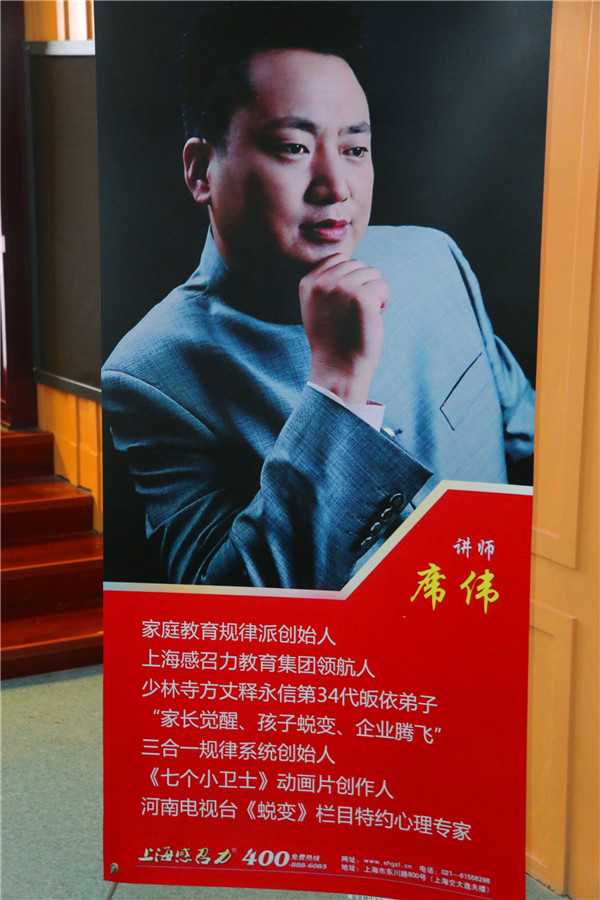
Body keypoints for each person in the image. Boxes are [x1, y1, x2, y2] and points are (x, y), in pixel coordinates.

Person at [102, 3, 535, 591]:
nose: (336, 187)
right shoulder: (150, 375)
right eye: (294, 147)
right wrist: (337, 389)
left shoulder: (435, 259)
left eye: (354, 150)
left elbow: (532, 446)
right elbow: (228, 607)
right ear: (202, 170)